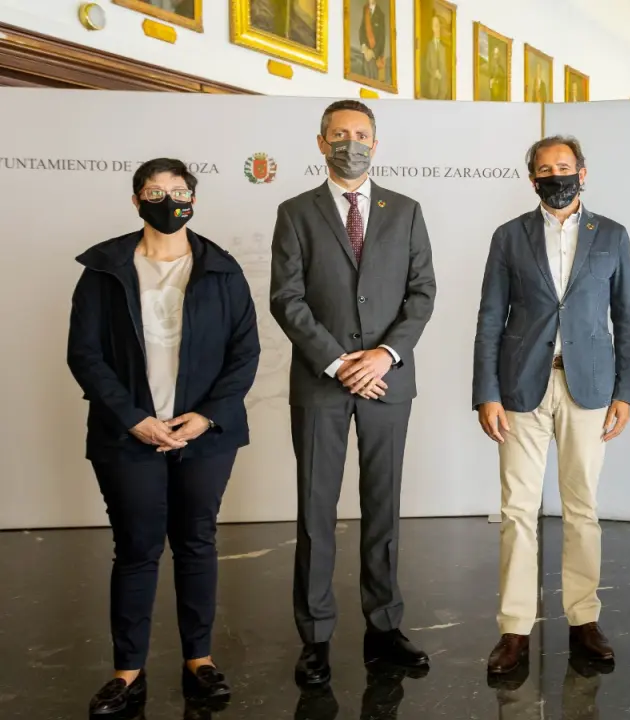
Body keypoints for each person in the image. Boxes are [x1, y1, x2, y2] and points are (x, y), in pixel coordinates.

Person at [68, 158, 260, 715]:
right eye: (155, 192)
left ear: (193, 199)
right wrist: (134, 418)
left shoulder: (222, 268)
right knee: (136, 547)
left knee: (197, 542)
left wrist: (206, 416)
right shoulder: (104, 268)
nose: (168, 200)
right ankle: (127, 671)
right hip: (128, 433)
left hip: (204, 434)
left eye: (178, 191)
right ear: (136, 201)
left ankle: (199, 660)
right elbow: (85, 354)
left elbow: (245, 353)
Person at [270, 100, 437, 687]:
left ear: (376, 143)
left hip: (388, 380)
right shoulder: (295, 212)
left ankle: (384, 628)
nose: (351, 143)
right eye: (339, 134)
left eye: (361, 134)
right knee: (316, 512)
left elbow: (422, 293)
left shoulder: (406, 211)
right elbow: (286, 298)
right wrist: (341, 363)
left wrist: (383, 355)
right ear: (321, 144)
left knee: (383, 508)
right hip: (322, 383)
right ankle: (315, 637)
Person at [473, 136, 630, 674]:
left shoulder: (612, 235)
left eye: (564, 167)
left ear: (582, 173)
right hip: (521, 388)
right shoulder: (508, 236)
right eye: (545, 170)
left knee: (582, 508)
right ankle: (514, 628)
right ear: (532, 180)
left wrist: (626, 392)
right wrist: (486, 393)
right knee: (518, 511)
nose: (555, 176)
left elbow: (626, 317)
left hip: (589, 387)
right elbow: (489, 318)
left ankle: (583, 620)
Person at [424, 14, 448, 99]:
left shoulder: (444, 47)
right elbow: (426, 65)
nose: (437, 27)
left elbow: (446, 68)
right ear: (432, 28)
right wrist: (434, 73)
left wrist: (445, 86)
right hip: (432, 89)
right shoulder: (428, 46)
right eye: (435, 25)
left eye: (438, 24)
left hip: (443, 89)